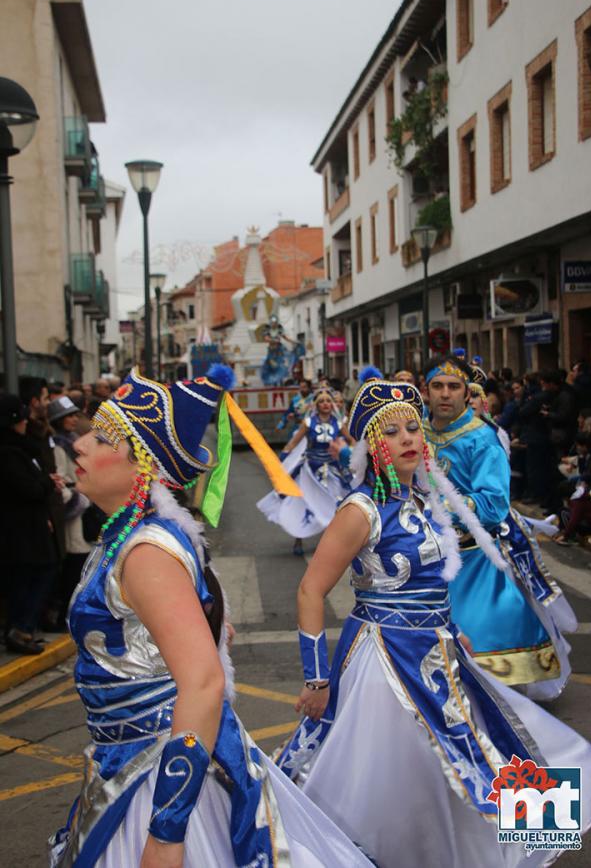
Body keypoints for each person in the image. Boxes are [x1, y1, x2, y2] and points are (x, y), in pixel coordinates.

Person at [50, 365, 372, 868]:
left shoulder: (145, 552)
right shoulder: (130, 536)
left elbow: (203, 684)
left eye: (101, 437)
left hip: (157, 770)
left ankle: (530, 829)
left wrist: (166, 831)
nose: (79, 446)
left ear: (144, 466)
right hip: (128, 764)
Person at [275, 368, 591, 867]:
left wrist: (454, 631)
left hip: (439, 652)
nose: (406, 439)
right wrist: (317, 679)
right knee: (396, 772)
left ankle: (474, 849)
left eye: (411, 428)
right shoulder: (360, 510)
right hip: (383, 660)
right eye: (390, 432)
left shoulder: (424, 498)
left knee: (484, 750)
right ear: (370, 445)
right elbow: (310, 589)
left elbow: (437, 579)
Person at [424, 356, 571, 699]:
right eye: (437, 386)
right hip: (426, 564)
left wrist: (435, 508)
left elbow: (493, 504)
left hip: (474, 562)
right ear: (426, 391)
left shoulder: (482, 439)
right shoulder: (415, 432)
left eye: (453, 387)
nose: (445, 394)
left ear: (466, 393)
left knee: (488, 675)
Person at [257, 387, 354, 556]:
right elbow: (293, 443)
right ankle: (298, 538)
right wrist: (280, 462)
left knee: (334, 503)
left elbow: (352, 441)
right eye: (322, 401)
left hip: (332, 469)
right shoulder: (309, 423)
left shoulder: (339, 423)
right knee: (302, 503)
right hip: (310, 470)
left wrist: (352, 454)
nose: (326, 404)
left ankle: (329, 542)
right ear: (316, 405)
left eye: (328, 401)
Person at [0, 394, 61, 654]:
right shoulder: (9, 452)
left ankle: (22, 628)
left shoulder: (20, 448)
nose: (26, 422)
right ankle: (19, 629)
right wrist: (49, 482)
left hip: (29, 527)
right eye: (22, 417)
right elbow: (29, 488)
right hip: (19, 530)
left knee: (31, 576)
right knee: (30, 577)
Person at [48, 395, 92, 626]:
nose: (74, 419)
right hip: (74, 513)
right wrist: (79, 498)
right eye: (69, 416)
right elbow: (61, 481)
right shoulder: (57, 446)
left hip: (83, 510)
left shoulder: (73, 441)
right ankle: (65, 614)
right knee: (73, 567)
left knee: (82, 567)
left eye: (75, 415)